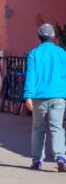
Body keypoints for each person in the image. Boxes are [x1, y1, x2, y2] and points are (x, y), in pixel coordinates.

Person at [23, 24, 66, 171]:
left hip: (39, 97)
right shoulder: (62, 53)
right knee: (57, 127)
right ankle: (60, 156)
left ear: (39, 37)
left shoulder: (34, 53)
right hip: (59, 96)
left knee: (38, 129)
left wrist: (28, 96)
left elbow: (31, 76)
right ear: (53, 36)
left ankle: (37, 161)